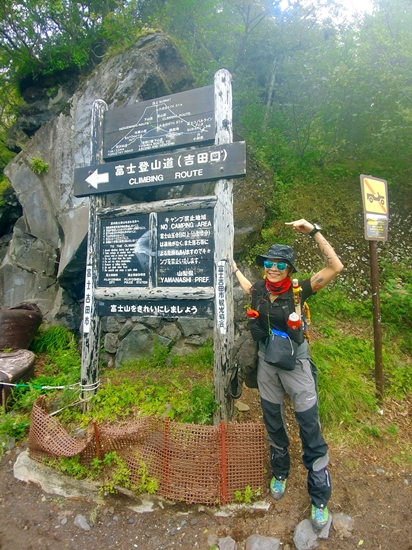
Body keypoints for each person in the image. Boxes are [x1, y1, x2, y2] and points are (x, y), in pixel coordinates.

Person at [232, 219, 343, 531]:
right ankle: (280, 471)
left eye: (280, 263)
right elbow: (244, 283)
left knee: (309, 425)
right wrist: (232, 266)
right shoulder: (258, 290)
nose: (273, 268)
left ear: (289, 268)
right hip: (268, 364)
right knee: (272, 419)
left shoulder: (300, 290)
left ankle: (319, 497)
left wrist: (313, 230)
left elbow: (335, 266)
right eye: (269, 263)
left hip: (297, 366)